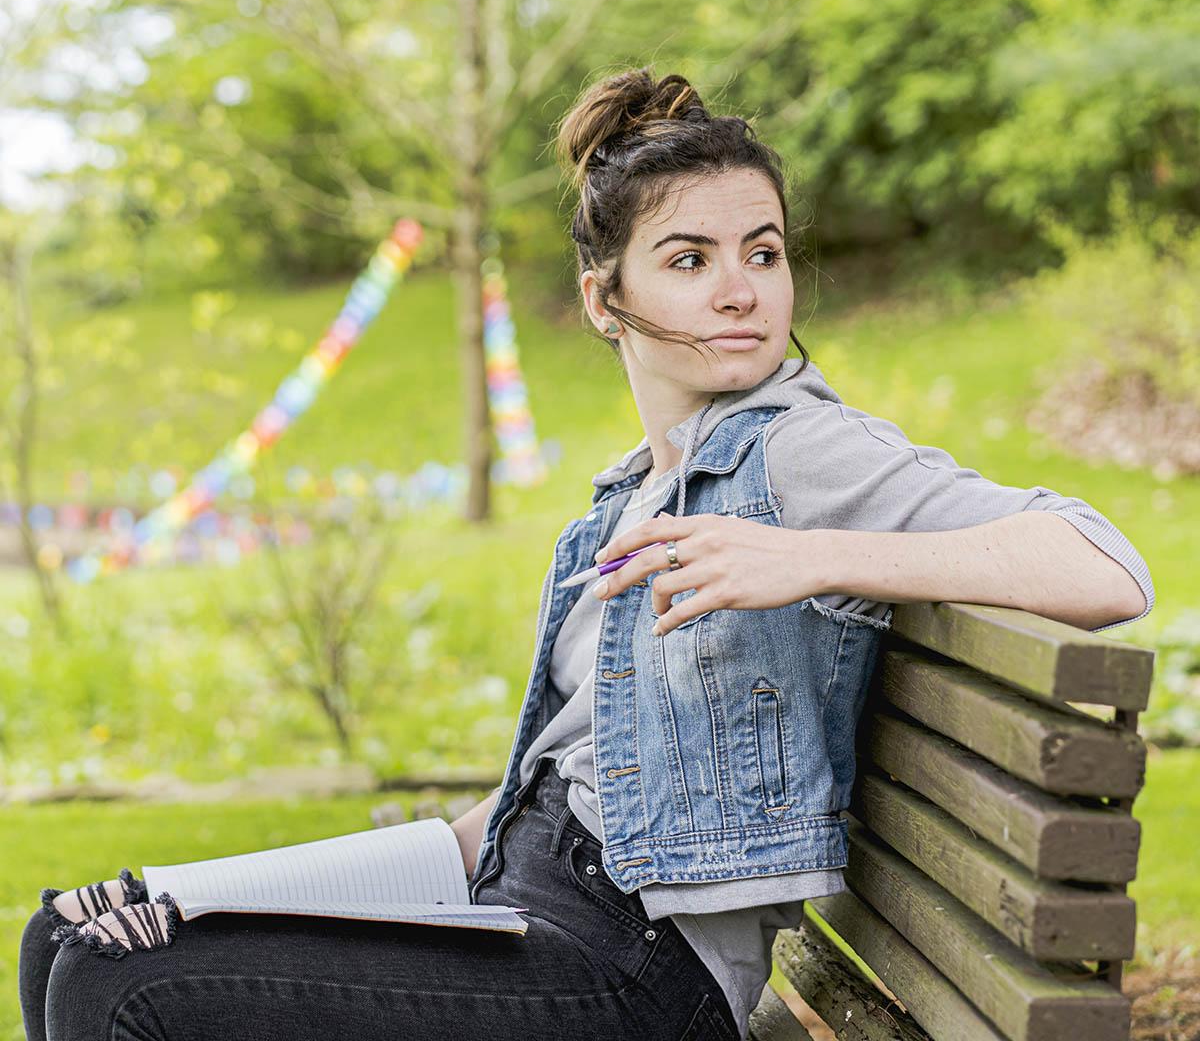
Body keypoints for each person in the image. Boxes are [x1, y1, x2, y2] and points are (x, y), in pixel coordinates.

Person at [18, 68, 1154, 1041]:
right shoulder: (622, 503)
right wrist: (301, 884)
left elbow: (1105, 565)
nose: (739, 287)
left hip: (635, 973)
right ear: (605, 300)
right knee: (73, 931)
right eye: (689, 257)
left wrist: (808, 557)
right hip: (522, 886)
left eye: (761, 251)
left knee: (124, 987)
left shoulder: (802, 453)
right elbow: (553, 785)